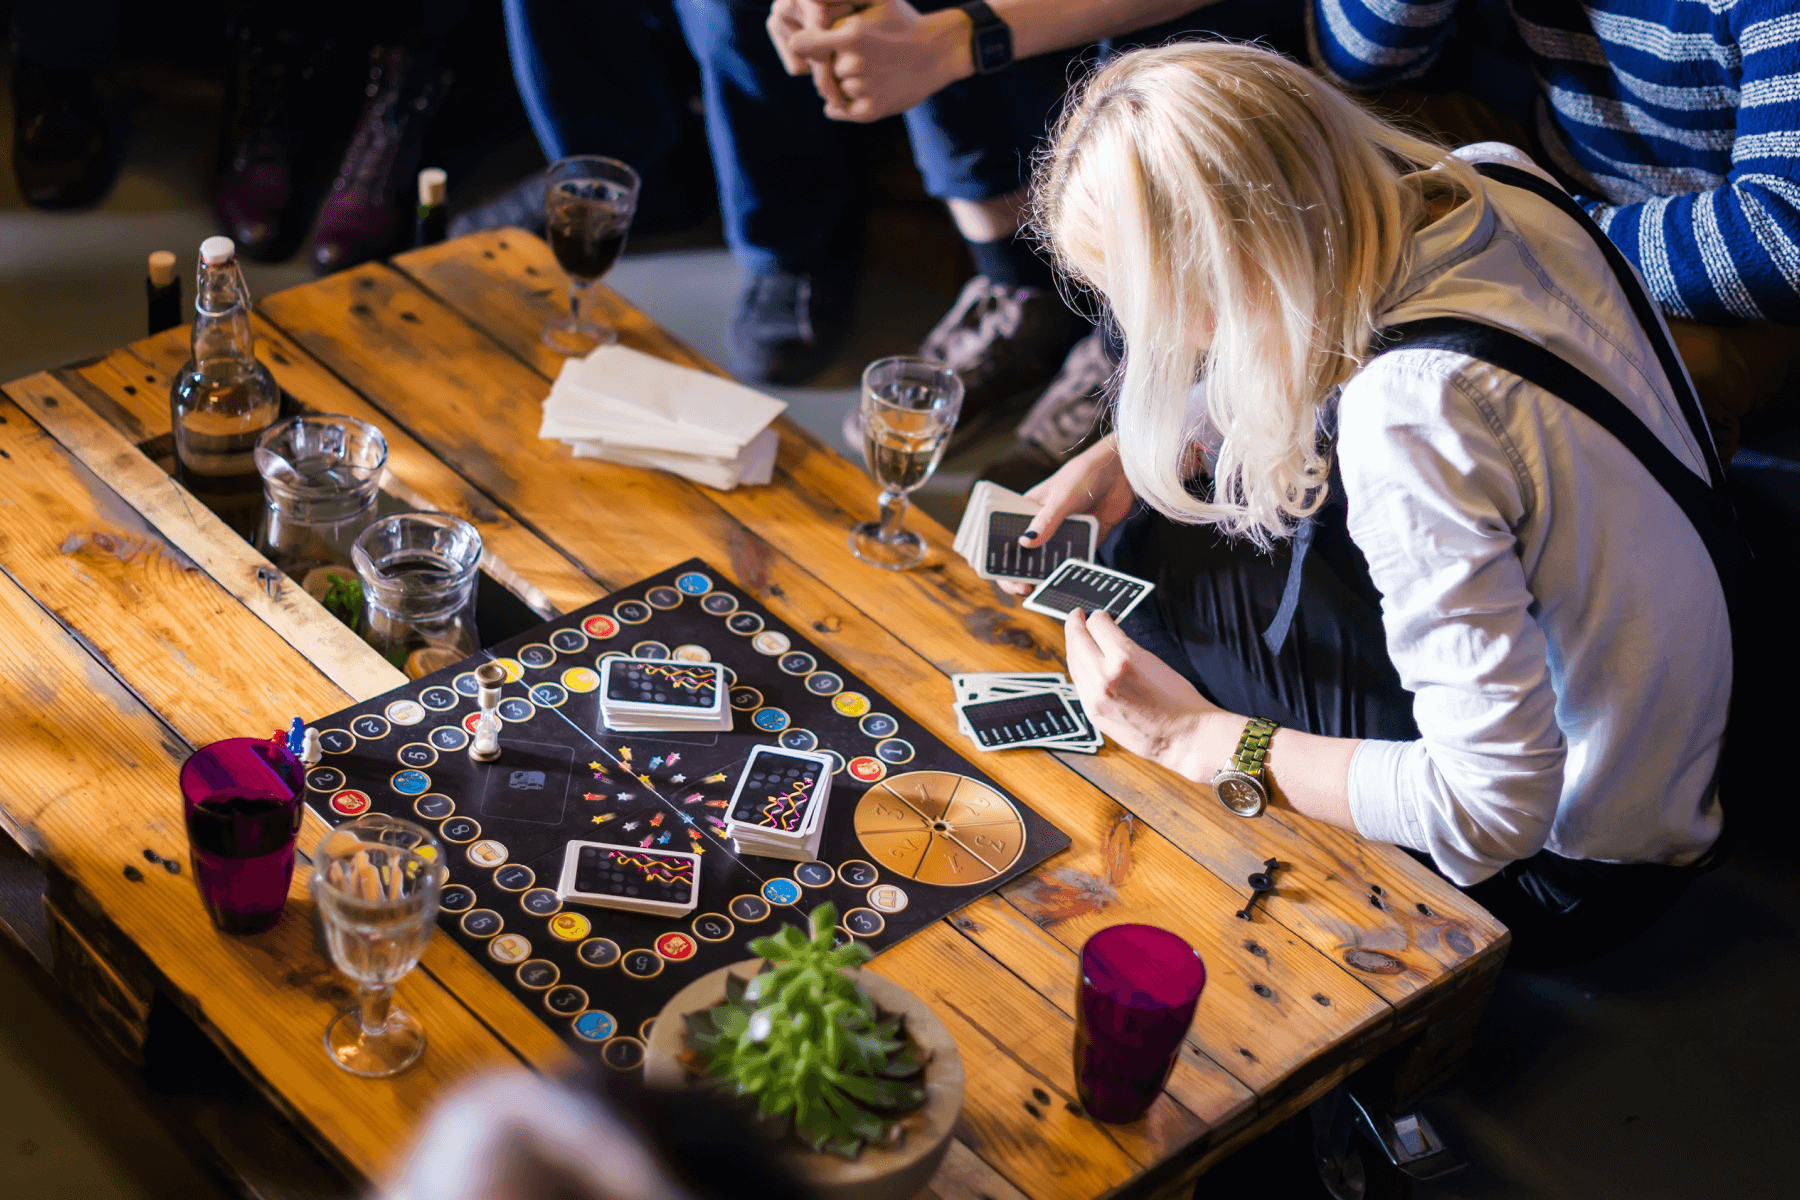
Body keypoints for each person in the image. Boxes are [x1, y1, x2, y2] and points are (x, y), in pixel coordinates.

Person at [1010, 42, 1731, 969]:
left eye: (1151, 307)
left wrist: (1200, 738)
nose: (1159, 338)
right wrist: (1146, 442)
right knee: (1165, 518)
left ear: (1232, 273)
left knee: (1149, 595)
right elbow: (1324, 320)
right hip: (1686, 728)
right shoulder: (1485, 184)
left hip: (1578, 866)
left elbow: (1492, 811)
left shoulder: (1413, 412)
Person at [1309, 0, 1800, 461]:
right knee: (1333, 130)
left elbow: (1779, 240)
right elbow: (1353, 59)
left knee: (1655, 374)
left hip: (1750, 300)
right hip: (1573, 184)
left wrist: (1537, 228)